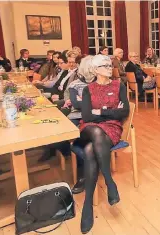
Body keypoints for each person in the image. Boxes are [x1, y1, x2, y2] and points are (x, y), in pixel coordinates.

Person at [78, 54, 129, 233]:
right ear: (95, 69)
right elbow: (87, 116)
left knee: (91, 149)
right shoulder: (88, 89)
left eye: (110, 65)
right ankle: (109, 181)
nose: (110, 67)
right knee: (96, 132)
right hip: (89, 128)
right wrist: (111, 110)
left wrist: (100, 111)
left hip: (112, 128)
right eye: (105, 65)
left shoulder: (118, 85)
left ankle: (87, 206)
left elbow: (125, 111)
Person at [63, 56, 96, 194]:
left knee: (84, 137)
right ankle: (91, 164)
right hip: (76, 117)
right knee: (65, 134)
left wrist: (84, 101)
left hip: (95, 118)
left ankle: (84, 175)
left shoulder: (102, 83)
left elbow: (105, 103)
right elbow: (76, 104)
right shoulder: (74, 84)